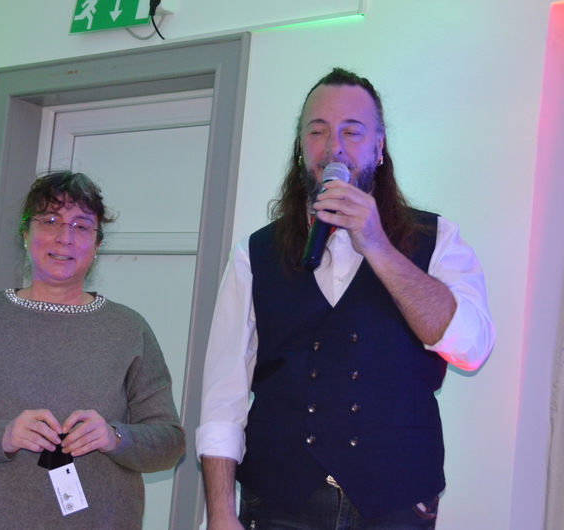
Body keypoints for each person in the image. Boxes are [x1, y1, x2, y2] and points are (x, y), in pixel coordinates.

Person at [196, 68, 495, 529]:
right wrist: (219, 511)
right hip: (279, 503)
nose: (333, 147)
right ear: (301, 147)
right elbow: (224, 394)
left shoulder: (436, 239)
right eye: (317, 131)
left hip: (395, 502)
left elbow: (472, 348)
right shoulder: (253, 254)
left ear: (379, 146)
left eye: (352, 132)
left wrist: (378, 245)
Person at [0, 171, 185, 529]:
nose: (64, 237)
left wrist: (115, 437)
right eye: (50, 221)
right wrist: (3, 436)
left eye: (81, 226)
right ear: (26, 234)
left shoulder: (129, 329)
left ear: (97, 245)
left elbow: (170, 441)